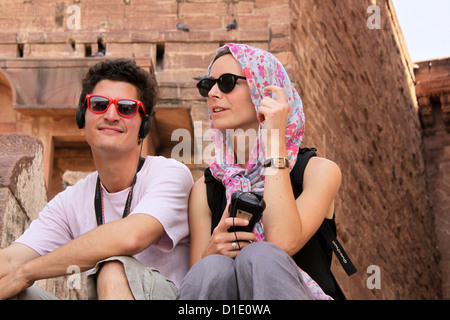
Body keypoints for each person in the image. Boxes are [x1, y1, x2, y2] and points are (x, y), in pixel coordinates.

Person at [0, 58, 193, 300]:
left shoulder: (169, 174)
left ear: (143, 124)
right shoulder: (70, 202)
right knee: (14, 293)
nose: (111, 115)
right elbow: (10, 260)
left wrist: (26, 272)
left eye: (126, 108)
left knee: (114, 269)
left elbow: (131, 237)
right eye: (99, 104)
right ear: (83, 115)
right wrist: (17, 275)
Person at [177, 43, 342, 300]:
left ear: (263, 90)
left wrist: (274, 138)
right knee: (209, 268)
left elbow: (283, 242)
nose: (213, 93)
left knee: (260, 255)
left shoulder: (318, 171)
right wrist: (211, 252)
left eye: (227, 82)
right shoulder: (206, 188)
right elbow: (198, 284)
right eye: (208, 85)